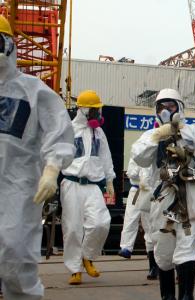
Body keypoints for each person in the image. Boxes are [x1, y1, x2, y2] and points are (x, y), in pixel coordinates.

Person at [0, 15, 75, 299]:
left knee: (15, 259)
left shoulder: (33, 90)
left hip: (17, 189)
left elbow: (58, 130)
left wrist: (52, 169)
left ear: (10, 45)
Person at [132, 88, 195, 300]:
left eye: (171, 106)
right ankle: (167, 296)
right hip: (162, 200)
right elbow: (140, 158)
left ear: (180, 108)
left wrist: (190, 154)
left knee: (186, 248)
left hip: (190, 197)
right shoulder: (150, 136)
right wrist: (158, 136)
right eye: (161, 107)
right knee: (164, 254)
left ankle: (186, 296)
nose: (166, 111)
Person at [60, 90, 115, 285]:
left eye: (97, 110)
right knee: (73, 228)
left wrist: (110, 180)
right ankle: (75, 269)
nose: (96, 114)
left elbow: (105, 156)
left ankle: (87, 256)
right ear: (82, 110)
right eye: (93, 110)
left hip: (93, 185)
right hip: (72, 183)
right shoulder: (68, 130)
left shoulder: (98, 132)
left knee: (101, 222)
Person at [117, 157, 158, 280]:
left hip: (152, 192)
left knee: (150, 226)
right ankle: (126, 247)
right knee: (130, 219)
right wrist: (141, 172)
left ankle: (154, 265)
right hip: (137, 190)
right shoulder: (138, 151)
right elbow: (131, 172)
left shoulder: (159, 153)